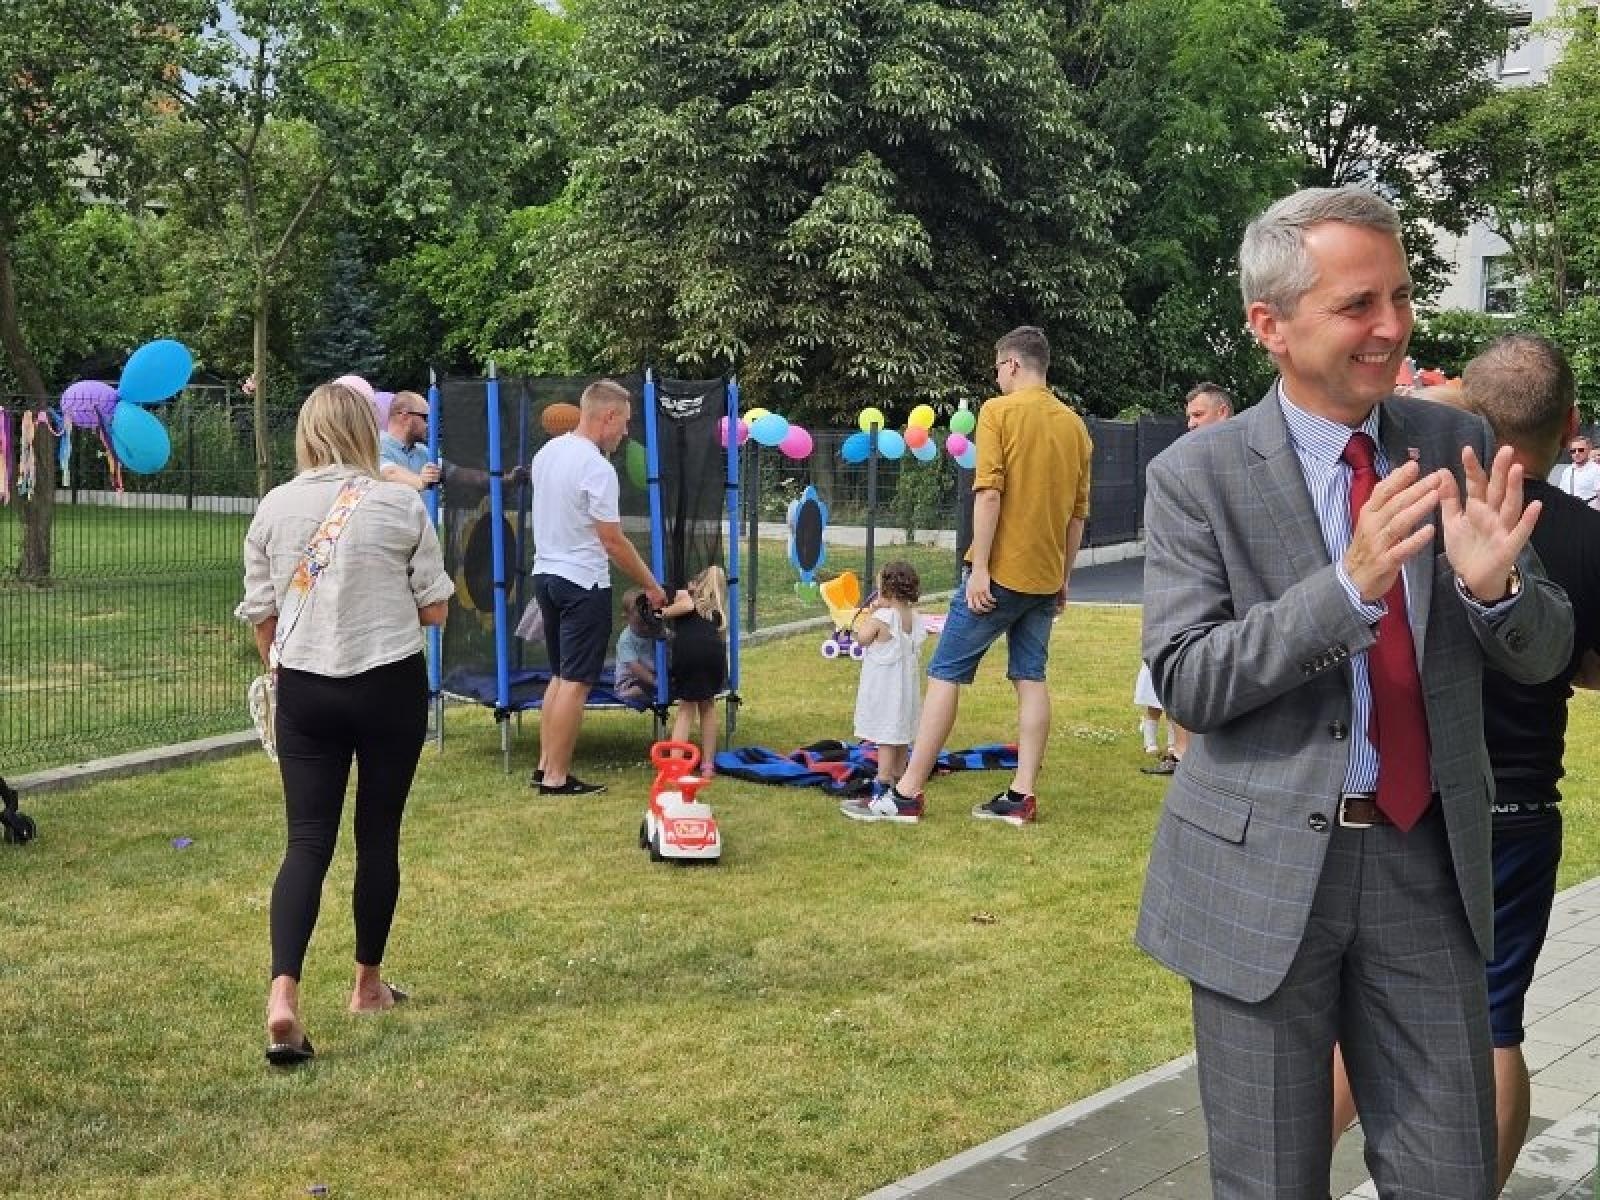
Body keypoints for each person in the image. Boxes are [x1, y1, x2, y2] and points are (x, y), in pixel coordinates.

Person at [1137, 186, 1572, 1199]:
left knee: (1450, 1174)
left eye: (1401, 296)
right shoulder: (1197, 475)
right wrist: (1345, 589)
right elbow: (1189, 676)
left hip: (1426, 863)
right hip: (1260, 874)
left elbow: (1546, 648)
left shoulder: (1455, 445)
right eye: (1357, 304)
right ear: (1270, 325)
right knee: (1269, 1180)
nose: (1391, 327)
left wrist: (1497, 591)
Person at [1329, 333, 1600, 1191]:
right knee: (1494, 1023)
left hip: (1408, 798)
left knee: (1360, 1016)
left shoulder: (1414, 505)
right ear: (1572, 423)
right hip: (1517, 807)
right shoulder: (1586, 534)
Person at [236, 381, 454, 1067]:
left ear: (305, 434)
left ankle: (283, 995)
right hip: (389, 681)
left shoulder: (274, 506)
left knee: (306, 842)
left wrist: (289, 667)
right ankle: (366, 985)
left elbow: (262, 617)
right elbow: (435, 610)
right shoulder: (400, 503)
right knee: (377, 835)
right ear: (366, 431)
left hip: (306, 688)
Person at [875, 326, 1093, 826]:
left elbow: (990, 492)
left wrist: (980, 570)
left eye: (998, 368)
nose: (996, 378)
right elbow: (1077, 515)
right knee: (1031, 677)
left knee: (945, 672)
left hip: (999, 576)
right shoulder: (1075, 427)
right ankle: (1022, 795)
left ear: (1012, 364)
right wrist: (1063, 578)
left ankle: (907, 793)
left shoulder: (998, 412)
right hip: (1044, 579)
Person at [529, 379, 666, 795]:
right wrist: (651, 585)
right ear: (607, 416)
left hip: (546, 576)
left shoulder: (547, 452)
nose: (625, 432)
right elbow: (612, 540)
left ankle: (544, 767)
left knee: (559, 676)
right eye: (624, 422)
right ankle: (556, 777)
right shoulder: (597, 467)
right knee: (576, 682)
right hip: (582, 582)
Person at [1138, 383, 1238, 775]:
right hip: (1189, 579)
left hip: (1232, 586)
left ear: (1223, 412)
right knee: (1180, 656)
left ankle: (1192, 751)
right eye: (1189, 417)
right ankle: (1181, 750)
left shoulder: (1246, 459)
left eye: (1198, 415)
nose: (1191, 424)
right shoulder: (1181, 463)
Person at [839, 561, 930, 821]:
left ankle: (882, 783)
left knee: (886, 736)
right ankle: (901, 777)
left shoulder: (883, 617)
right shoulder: (913, 617)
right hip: (905, 690)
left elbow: (863, 638)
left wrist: (872, 613)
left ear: (887, 590)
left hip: (885, 689)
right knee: (900, 734)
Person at [379, 389, 526, 494]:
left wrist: (506, 480)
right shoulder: (377, 445)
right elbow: (389, 473)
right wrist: (421, 481)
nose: (429, 424)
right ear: (405, 416)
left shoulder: (423, 452)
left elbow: (461, 475)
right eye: (425, 417)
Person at [660, 565, 729, 771]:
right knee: (707, 706)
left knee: (686, 708)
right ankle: (708, 764)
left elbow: (687, 605)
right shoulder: (717, 612)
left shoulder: (686, 597)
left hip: (690, 654)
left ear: (699, 585)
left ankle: (676, 763)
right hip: (713, 656)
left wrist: (661, 613)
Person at [613, 588, 659, 707]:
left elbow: (669, 638)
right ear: (626, 617)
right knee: (641, 688)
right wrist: (656, 682)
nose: (645, 628)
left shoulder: (655, 630)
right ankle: (623, 694)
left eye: (647, 622)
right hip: (631, 679)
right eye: (640, 624)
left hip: (653, 674)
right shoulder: (625, 640)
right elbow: (635, 668)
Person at [1553, 434, 1600, 506]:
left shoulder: (1596, 470)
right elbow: (1561, 493)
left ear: (1589, 450)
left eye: (1581, 450)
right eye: (1573, 451)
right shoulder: (1567, 471)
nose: (1577, 453)